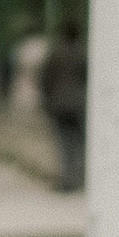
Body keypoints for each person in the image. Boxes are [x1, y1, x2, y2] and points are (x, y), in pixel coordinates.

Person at [39, 24, 88, 190]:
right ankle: (78, 179)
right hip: (78, 104)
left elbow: (46, 79)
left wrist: (46, 101)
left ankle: (65, 180)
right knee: (78, 144)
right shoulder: (83, 54)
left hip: (59, 104)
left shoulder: (55, 53)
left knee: (63, 144)